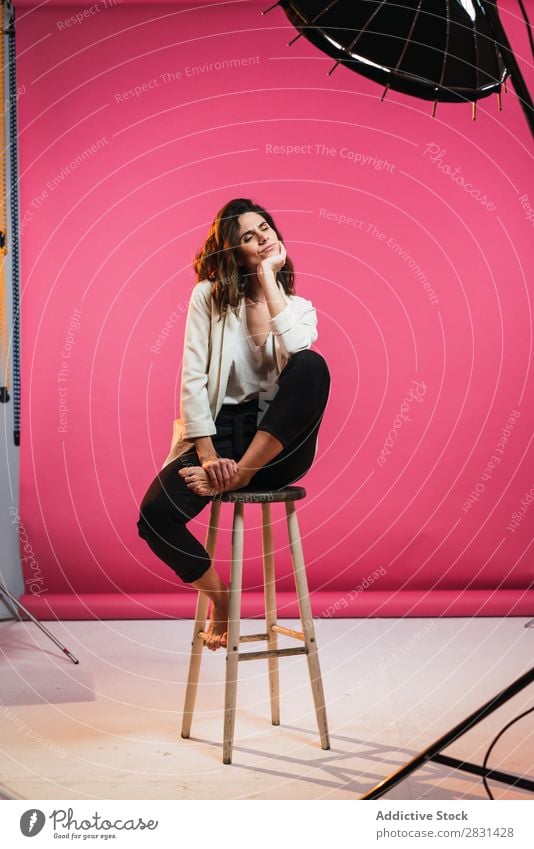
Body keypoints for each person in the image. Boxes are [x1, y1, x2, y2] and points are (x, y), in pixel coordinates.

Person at [137, 198, 331, 651]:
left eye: (265, 227)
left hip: (278, 446)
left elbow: (298, 347)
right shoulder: (209, 297)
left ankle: (237, 475)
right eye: (248, 236)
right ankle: (223, 601)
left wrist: (267, 279)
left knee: (312, 366)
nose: (262, 237)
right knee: (155, 517)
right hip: (220, 434)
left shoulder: (299, 308)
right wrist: (207, 456)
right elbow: (193, 376)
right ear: (233, 252)